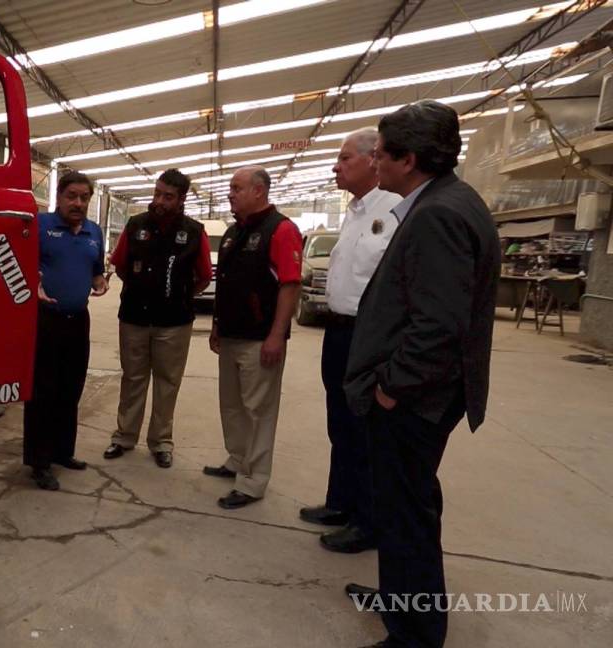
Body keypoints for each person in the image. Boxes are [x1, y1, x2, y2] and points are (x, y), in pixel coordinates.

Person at [344, 100, 500, 648]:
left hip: (416, 400)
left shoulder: (438, 213)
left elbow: (437, 324)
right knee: (402, 505)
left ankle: (415, 633)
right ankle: (398, 599)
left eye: (383, 154)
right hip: (421, 395)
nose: (376, 162)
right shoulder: (446, 200)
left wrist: (392, 388)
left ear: (408, 159)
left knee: (408, 511)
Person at [299, 129, 400, 553]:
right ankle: (340, 502)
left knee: (364, 428)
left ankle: (368, 521)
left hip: (369, 334)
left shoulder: (394, 209)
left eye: (343, 159)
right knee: (340, 421)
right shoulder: (355, 211)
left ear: (372, 160)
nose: (335, 167)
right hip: (338, 331)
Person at [204, 166, 301, 509]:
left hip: (261, 338)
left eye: (236, 188)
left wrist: (277, 335)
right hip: (231, 335)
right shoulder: (233, 232)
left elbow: (290, 286)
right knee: (231, 405)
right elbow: (227, 285)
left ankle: (254, 480)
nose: (230, 193)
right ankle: (237, 458)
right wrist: (217, 324)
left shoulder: (281, 229)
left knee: (258, 409)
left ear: (259, 191)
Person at [104, 169, 212, 469]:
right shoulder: (136, 225)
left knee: (167, 382)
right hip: (134, 318)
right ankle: (124, 436)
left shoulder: (193, 231)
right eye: (157, 193)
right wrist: (141, 290)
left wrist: (178, 296)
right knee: (133, 378)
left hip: (175, 322)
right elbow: (121, 266)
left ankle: (161, 441)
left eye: (167, 196)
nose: (159, 201)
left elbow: (203, 277)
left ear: (181, 200)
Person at [24, 171, 108, 491]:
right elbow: (22, 262)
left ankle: (62, 453)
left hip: (78, 320)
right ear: (58, 197)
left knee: (71, 388)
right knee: (43, 391)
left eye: (84, 198)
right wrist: (34, 281)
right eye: (72, 196)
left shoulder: (93, 232)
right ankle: (39, 462)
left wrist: (100, 282)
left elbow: (96, 270)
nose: (78, 203)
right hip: (45, 319)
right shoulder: (41, 225)